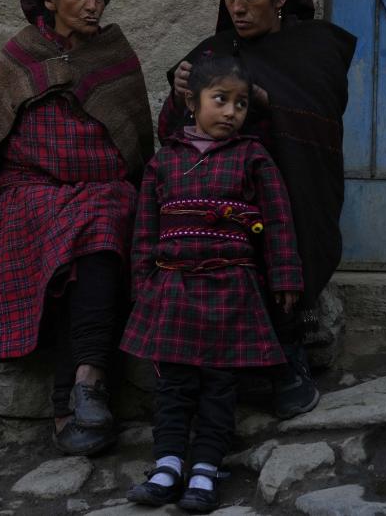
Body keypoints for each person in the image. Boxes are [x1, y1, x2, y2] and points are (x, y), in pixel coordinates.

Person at [0, 0, 155, 456]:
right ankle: (80, 393)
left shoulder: (114, 55)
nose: (94, 3)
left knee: (102, 228)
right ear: (51, 0)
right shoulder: (22, 54)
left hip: (103, 192)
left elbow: (135, 141)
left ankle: (79, 389)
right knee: (77, 234)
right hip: (30, 194)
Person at [156, 0, 357, 419]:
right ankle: (214, 370)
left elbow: (322, 128)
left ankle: (287, 356)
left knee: (270, 227)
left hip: (289, 185)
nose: (239, 8)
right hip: (219, 188)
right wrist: (183, 90)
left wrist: (268, 105)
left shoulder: (315, 47)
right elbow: (174, 135)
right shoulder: (213, 51)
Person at [122, 56, 302, 512]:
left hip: (231, 289)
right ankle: (167, 466)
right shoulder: (164, 163)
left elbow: (278, 220)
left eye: (240, 104)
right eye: (220, 100)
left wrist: (284, 274)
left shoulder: (253, 158)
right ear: (191, 101)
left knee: (221, 384)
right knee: (173, 383)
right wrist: (144, 285)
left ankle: (204, 469)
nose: (230, 112)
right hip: (175, 289)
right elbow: (144, 230)